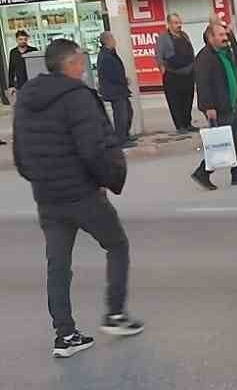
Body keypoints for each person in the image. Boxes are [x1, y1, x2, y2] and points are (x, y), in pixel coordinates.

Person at [12, 36, 143, 357]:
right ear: (70, 65)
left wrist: (42, 180)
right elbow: (94, 149)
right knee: (116, 244)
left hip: (47, 198)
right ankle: (115, 313)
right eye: (81, 63)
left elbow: (21, 155)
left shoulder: (26, 100)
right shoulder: (78, 98)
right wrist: (109, 180)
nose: (84, 69)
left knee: (57, 264)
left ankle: (65, 335)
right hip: (82, 193)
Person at [192, 19, 237, 191]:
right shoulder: (205, 57)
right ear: (210, 37)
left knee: (236, 141)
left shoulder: (225, 52)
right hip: (218, 108)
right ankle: (202, 173)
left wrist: (232, 36)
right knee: (219, 144)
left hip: (232, 106)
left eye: (225, 34)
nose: (224, 37)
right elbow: (203, 84)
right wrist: (208, 107)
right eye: (221, 35)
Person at [154, 12, 195, 133]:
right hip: (173, 75)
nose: (179, 25)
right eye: (176, 23)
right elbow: (158, 55)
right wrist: (162, 69)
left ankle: (188, 124)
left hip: (188, 74)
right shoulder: (163, 38)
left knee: (188, 100)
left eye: (179, 22)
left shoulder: (184, 36)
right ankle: (180, 126)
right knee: (175, 102)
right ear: (169, 24)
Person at [96, 31, 136, 148]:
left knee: (128, 112)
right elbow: (111, 74)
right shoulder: (105, 56)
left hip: (119, 89)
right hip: (115, 91)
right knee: (121, 115)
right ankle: (121, 139)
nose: (114, 40)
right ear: (107, 41)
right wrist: (124, 80)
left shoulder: (110, 53)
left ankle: (125, 135)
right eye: (112, 38)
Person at [8, 29, 37, 95]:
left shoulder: (33, 50)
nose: (23, 41)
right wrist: (11, 85)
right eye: (20, 39)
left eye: (25, 39)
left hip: (33, 83)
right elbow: (11, 69)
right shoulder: (13, 52)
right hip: (20, 85)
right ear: (16, 40)